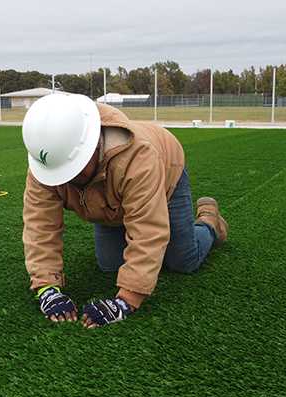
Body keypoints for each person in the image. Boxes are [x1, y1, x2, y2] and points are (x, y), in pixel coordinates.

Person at [22, 93, 228, 328]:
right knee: (110, 265)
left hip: (165, 172)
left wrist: (126, 300)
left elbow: (149, 230)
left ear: (93, 146)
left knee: (183, 260)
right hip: (108, 202)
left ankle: (209, 223)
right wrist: (47, 288)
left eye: (74, 170)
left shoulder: (140, 159)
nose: (67, 179)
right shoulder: (47, 165)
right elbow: (40, 227)